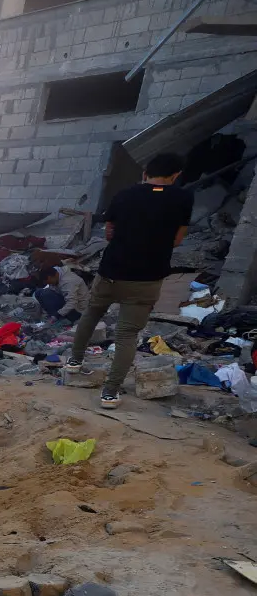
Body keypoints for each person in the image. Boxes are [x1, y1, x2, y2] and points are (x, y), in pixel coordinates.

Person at [65, 152, 193, 409]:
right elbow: (178, 239)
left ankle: (74, 362)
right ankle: (109, 394)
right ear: (176, 174)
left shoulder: (124, 195)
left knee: (91, 314)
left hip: (112, 270)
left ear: (146, 172)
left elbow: (110, 232)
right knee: (126, 335)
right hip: (147, 277)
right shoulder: (183, 198)